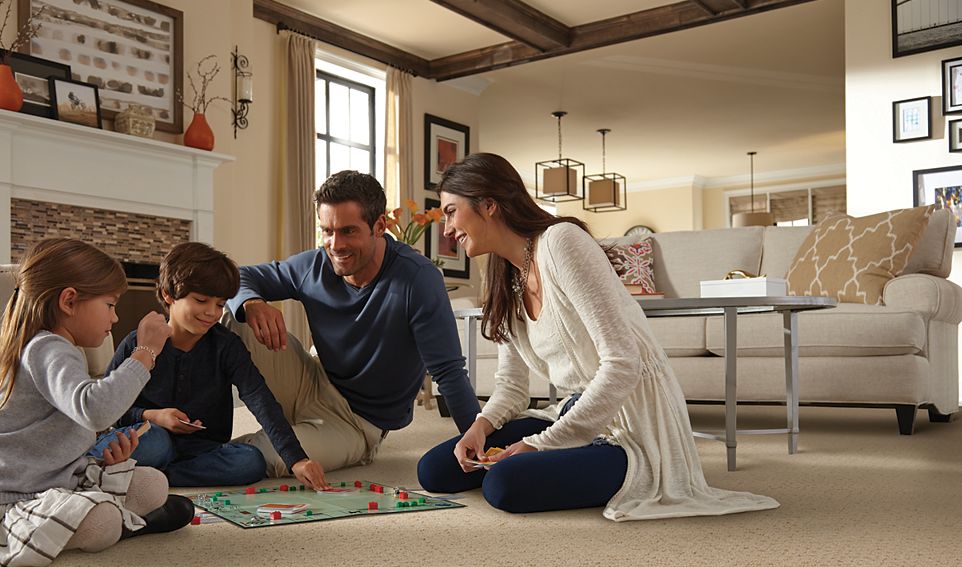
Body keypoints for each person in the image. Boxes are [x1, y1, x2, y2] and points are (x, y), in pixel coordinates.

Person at [416, 153, 779, 520]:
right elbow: (512, 386)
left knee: (504, 484)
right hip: (575, 412)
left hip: (631, 425)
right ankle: (563, 461)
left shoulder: (562, 242)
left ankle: (593, 465)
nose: (446, 229)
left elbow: (623, 364)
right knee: (436, 469)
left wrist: (540, 444)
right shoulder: (505, 277)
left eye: (450, 211)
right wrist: (480, 428)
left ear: (489, 204)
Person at [0, 238, 194, 567]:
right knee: (102, 521)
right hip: (13, 495)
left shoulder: (56, 348)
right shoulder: (49, 348)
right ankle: (119, 525)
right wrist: (145, 352)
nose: (115, 317)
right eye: (109, 305)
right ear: (68, 301)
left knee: (154, 484)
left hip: (56, 478)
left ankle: (109, 519)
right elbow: (94, 410)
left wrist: (110, 460)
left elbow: (73, 422)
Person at [226, 170, 480, 477]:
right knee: (227, 313)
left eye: (348, 231)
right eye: (327, 231)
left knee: (267, 457)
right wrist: (252, 303)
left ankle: (193, 459)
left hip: (356, 423)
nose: (336, 245)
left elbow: (449, 372)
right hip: (309, 379)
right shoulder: (315, 264)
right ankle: (189, 430)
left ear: (379, 226)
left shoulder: (417, 278)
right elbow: (238, 276)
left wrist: (482, 444)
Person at [94, 242, 328, 490]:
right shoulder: (137, 342)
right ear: (168, 295)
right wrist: (154, 416)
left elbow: (261, 399)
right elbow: (110, 410)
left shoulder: (226, 346)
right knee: (155, 444)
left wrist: (297, 459)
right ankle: (103, 466)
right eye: (201, 300)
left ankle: (152, 477)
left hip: (201, 448)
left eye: (219, 304)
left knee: (250, 462)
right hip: (147, 435)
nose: (211, 313)